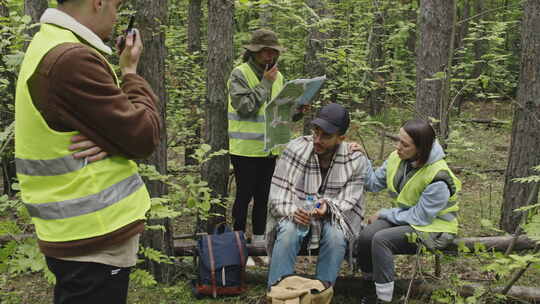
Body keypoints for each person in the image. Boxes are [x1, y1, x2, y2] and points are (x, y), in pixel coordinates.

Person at [14, 0, 161, 303]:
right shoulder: (71, 58)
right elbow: (144, 136)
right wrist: (132, 76)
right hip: (93, 236)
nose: (116, 15)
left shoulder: (50, 42)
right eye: (116, 6)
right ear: (99, 2)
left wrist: (110, 136)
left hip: (79, 233)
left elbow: (84, 121)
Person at [355, 119, 461, 304]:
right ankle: (369, 288)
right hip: (408, 216)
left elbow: (420, 217)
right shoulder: (397, 158)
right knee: (366, 235)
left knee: (382, 240)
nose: (397, 147)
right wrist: (362, 157)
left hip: (434, 227)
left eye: (404, 144)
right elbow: (371, 184)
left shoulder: (438, 176)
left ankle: (384, 299)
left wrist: (384, 214)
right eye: (398, 140)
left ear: (420, 149)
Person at [265, 103, 369, 288]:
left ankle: (321, 292)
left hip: (333, 216)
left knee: (336, 236)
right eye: (316, 132)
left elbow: (350, 200)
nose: (318, 140)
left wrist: (328, 207)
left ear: (341, 138)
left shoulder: (355, 159)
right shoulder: (295, 149)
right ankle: (279, 292)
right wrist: (293, 210)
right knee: (288, 232)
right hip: (298, 211)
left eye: (326, 136)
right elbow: (277, 194)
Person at [227, 28, 304, 248]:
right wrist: (265, 84)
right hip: (245, 149)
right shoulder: (240, 74)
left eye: (273, 51)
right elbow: (245, 108)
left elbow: (280, 111)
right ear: (254, 52)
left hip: (270, 149)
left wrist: (298, 110)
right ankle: (238, 242)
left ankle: (259, 242)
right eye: (264, 51)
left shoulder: (278, 76)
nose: (270, 56)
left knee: (264, 197)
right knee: (244, 197)